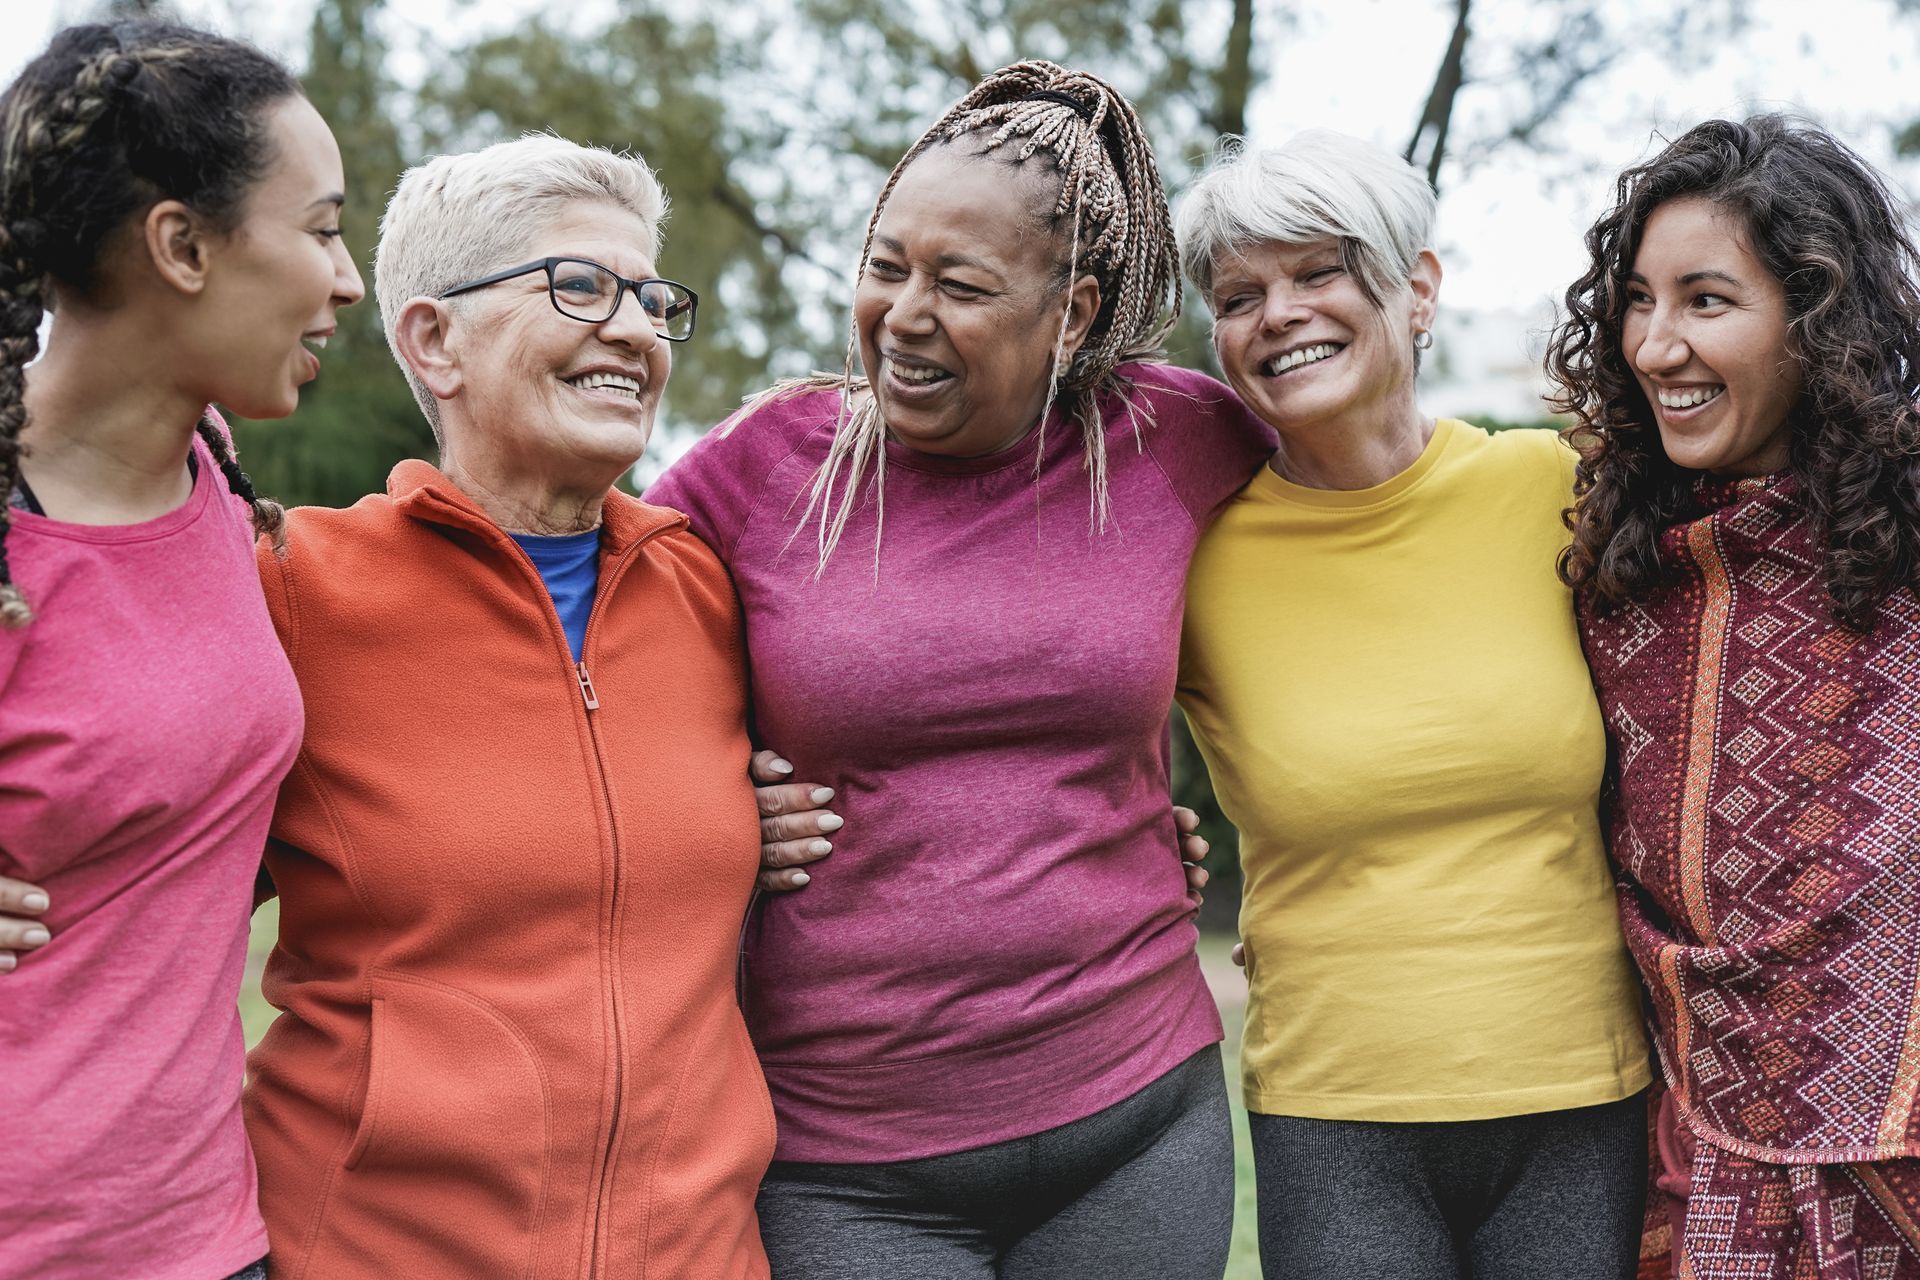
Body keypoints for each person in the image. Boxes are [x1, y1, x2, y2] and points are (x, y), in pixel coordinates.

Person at [646, 60, 1274, 1279]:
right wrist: (711, 803)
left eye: (962, 284)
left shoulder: (1176, 438)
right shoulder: (761, 468)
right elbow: (575, 633)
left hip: (1135, 1116)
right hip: (845, 1160)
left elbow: (1364, 500)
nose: (906, 313)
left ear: (1076, 311)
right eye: (887, 267)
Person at [238, 135, 773, 1277]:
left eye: (650, 297)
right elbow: (121, 838)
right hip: (378, 1250)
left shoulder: (714, 593)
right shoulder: (289, 585)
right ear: (435, 340)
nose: (633, 328)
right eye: (578, 285)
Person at [1171, 130, 1652, 1279]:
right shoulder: (1185, 557)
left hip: (1581, 1099)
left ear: (1417, 289)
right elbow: (1042, 730)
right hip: (1337, 1114)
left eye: (1319, 271)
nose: (1278, 312)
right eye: (1240, 295)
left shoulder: (1557, 494)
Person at [0, 20, 362, 1280]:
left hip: (208, 1233)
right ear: (183, 245)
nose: (349, 278)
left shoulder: (212, 474)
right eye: (319, 230)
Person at [1548, 114, 1920, 1280]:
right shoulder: (1614, 564)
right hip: (1686, 1152)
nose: (1657, 346)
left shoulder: (1906, 547)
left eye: (1706, 300)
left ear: (1819, 324)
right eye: (1641, 301)